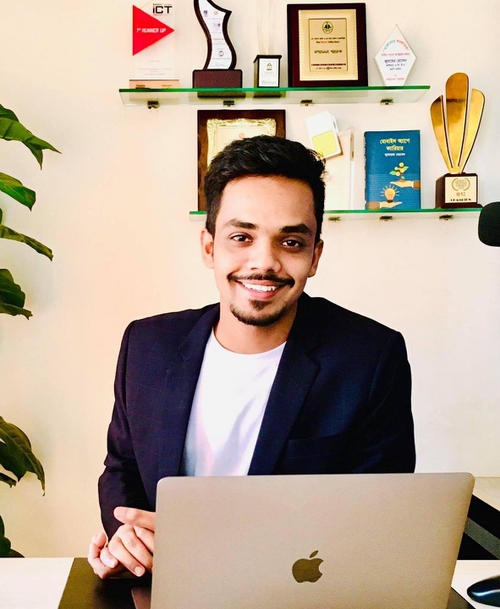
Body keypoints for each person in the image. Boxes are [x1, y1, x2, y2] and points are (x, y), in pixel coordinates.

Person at [88, 135, 415, 579]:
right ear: (209, 247)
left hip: (295, 592)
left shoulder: (370, 358)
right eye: (241, 237)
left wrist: (213, 550)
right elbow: (121, 468)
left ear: (315, 256)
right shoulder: (147, 344)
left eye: (291, 242)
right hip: (165, 585)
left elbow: (377, 514)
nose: (265, 263)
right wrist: (129, 542)